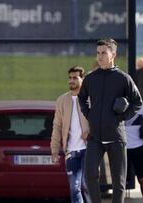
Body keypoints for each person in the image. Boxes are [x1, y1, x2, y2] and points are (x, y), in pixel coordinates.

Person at [78, 38, 142, 203]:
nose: (99, 57)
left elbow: (137, 103)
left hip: (116, 137)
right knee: (90, 174)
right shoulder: (91, 78)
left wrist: (121, 117)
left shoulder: (123, 78)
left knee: (118, 180)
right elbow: (82, 98)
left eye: (103, 53)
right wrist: (89, 115)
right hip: (95, 137)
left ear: (113, 54)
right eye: (98, 53)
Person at [50, 66, 91, 203]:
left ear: (82, 79)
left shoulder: (90, 99)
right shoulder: (62, 100)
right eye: (70, 78)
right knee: (74, 188)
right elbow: (57, 126)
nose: (71, 81)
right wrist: (55, 150)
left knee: (87, 185)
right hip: (71, 151)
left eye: (75, 78)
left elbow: (100, 121)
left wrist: (90, 132)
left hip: (88, 149)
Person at [125, 104, 143, 203]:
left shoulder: (142, 107)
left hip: (139, 148)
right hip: (122, 149)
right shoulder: (117, 103)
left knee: (142, 179)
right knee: (121, 180)